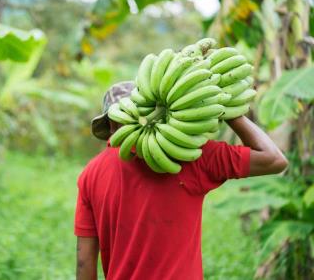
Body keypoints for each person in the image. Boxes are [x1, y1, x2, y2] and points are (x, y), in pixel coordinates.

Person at [74, 81, 288, 280]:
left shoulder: (90, 174)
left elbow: (85, 263)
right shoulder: (192, 156)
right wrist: (229, 111)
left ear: (110, 125)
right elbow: (274, 159)